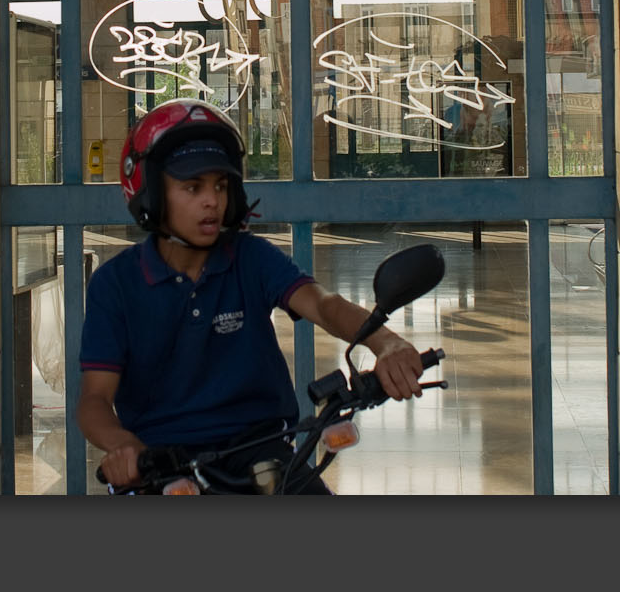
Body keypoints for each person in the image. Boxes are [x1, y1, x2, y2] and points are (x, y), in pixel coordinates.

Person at [79, 98, 428, 493]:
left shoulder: (250, 258)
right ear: (151, 194)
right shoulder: (116, 284)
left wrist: (385, 342)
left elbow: (322, 303)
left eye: (221, 186)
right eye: (192, 187)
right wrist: (124, 447)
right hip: (163, 465)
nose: (212, 200)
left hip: (263, 455)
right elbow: (94, 398)